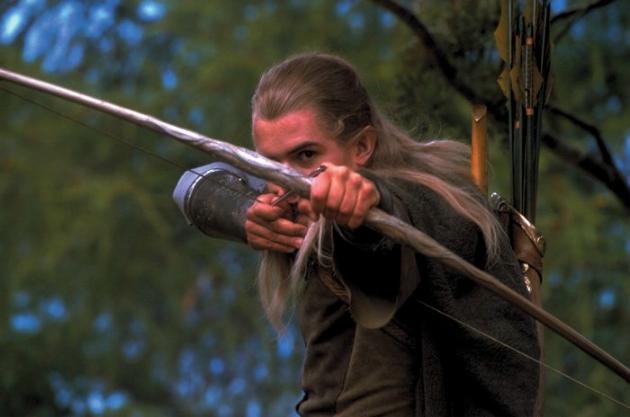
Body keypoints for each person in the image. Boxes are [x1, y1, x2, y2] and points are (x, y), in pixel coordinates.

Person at [243, 52, 539, 417]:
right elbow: (195, 183)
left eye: (306, 155)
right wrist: (240, 212)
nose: (284, 183)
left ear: (362, 147)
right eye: (269, 164)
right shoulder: (283, 209)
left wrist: (368, 200)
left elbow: (387, 233)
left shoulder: (426, 207)